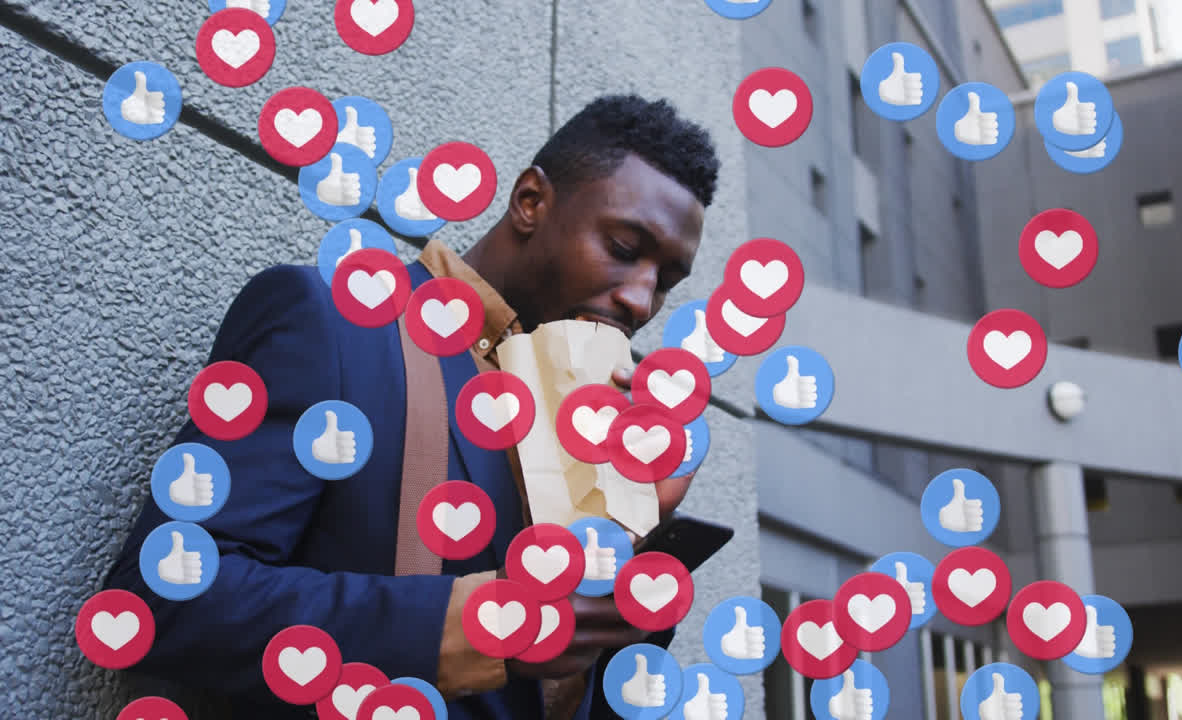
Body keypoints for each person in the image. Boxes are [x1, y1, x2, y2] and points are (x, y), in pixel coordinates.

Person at [101, 94, 721, 720]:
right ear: (530, 202)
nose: (642, 300)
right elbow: (163, 598)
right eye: (623, 247)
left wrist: (628, 532)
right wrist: (472, 628)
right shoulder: (332, 323)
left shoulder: (584, 428)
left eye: (666, 281)